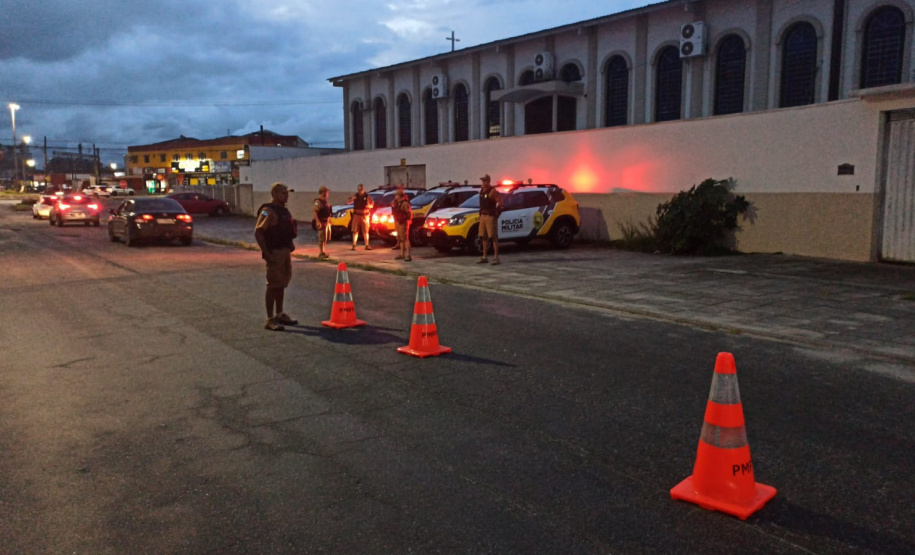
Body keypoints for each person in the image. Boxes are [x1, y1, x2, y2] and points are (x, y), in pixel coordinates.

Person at [254, 182, 298, 331]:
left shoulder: (283, 211)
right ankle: (269, 318)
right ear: (274, 194)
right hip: (274, 252)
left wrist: (290, 244)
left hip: (285, 251)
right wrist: (267, 253)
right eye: (283, 193)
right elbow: (259, 231)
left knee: (281, 283)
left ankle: (280, 314)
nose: (287, 196)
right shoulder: (267, 211)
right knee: (273, 285)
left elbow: (286, 229)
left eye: (287, 193)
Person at [477, 174, 503, 265]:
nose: (483, 182)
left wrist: (496, 214)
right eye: (482, 181)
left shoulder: (493, 191)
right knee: (483, 236)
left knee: (493, 237)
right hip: (483, 216)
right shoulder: (481, 191)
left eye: (485, 181)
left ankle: (496, 257)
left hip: (490, 216)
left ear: (488, 181)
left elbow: (500, 204)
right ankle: (484, 256)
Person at [348, 183, 373, 250]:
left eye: (361, 189)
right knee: (355, 231)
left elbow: (372, 205)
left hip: (365, 215)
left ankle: (367, 245)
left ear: (363, 189)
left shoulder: (367, 196)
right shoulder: (355, 196)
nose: (360, 191)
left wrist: (368, 205)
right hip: (356, 215)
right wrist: (352, 199)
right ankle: (354, 245)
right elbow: (348, 202)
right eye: (359, 190)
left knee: (365, 231)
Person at [391, 188, 412, 261]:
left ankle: (408, 255)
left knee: (405, 239)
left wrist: (406, 221)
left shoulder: (404, 203)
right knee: (400, 239)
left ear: (400, 196)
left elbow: (408, 213)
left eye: (396, 195)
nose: (395, 197)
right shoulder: (396, 203)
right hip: (397, 222)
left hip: (403, 222)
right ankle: (402, 254)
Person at [313, 186, 331, 259]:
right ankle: (321, 252)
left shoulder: (325, 202)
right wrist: (317, 222)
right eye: (326, 192)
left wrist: (329, 220)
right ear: (323, 192)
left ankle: (324, 251)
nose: (327, 193)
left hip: (327, 222)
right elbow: (315, 212)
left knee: (325, 238)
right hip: (321, 222)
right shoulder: (318, 202)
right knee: (321, 238)